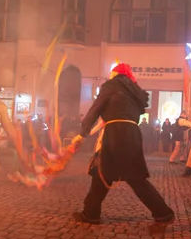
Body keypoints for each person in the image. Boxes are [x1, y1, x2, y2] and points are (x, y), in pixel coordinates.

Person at [70, 63, 175, 225]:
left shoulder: (111, 86)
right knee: (107, 173)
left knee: (120, 175)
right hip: (132, 133)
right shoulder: (135, 92)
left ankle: (163, 212)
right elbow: (136, 114)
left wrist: (82, 133)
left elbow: (96, 108)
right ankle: (91, 213)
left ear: (115, 75)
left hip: (115, 133)